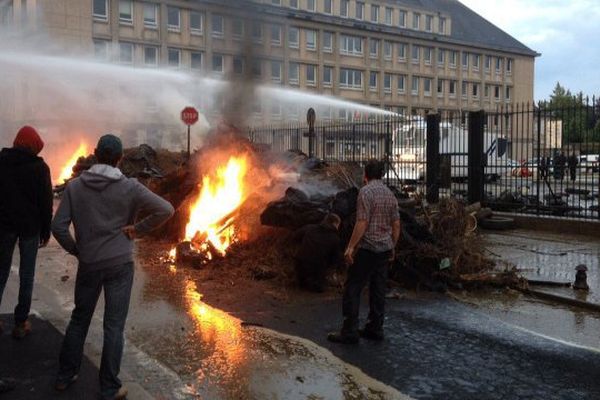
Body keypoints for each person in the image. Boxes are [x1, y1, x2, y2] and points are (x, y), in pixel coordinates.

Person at [51, 134, 174, 400]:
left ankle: (64, 375)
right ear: (119, 159)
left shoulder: (75, 187)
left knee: (79, 319)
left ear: (95, 153)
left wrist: (76, 249)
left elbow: (58, 226)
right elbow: (166, 210)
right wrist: (137, 229)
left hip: (90, 263)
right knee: (114, 326)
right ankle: (109, 387)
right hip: (120, 264)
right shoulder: (130, 187)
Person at [328, 160, 401, 344]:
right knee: (378, 289)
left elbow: (362, 222)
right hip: (384, 249)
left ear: (365, 175)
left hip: (368, 248)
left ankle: (350, 331)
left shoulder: (365, 192)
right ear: (382, 175)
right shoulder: (390, 195)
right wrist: (392, 245)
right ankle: (375, 328)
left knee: (353, 287)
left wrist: (351, 247)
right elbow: (396, 224)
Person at [0, 126, 53, 339]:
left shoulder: (1, 161)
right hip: (30, 228)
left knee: (0, 272)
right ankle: (21, 322)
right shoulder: (40, 168)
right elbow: (46, 202)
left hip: (3, 227)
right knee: (27, 275)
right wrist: (46, 230)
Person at [294, 213, 342, 293]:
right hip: (317, 268)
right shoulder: (335, 239)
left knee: (302, 285)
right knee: (319, 289)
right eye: (338, 224)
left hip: (300, 264)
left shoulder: (309, 228)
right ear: (334, 223)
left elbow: (295, 236)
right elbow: (336, 259)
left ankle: (303, 281)